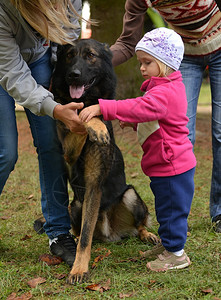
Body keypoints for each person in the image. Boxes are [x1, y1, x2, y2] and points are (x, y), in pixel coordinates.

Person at [79, 28, 197, 272]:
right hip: (163, 164)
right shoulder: (162, 88)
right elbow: (154, 118)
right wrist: (133, 121)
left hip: (173, 165)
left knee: (173, 211)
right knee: (165, 208)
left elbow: (142, 107)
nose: (142, 68)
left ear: (165, 64)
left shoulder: (165, 91)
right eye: (141, 62)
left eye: (148, 62)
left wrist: (105, 108)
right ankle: (169, 245)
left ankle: (177, 255)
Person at [110, 0, 221, 233]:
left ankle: (218, 211)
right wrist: (95, 61)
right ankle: (177, 218)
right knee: (182, 133)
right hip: (180, 56)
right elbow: (128, 42)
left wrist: (106, 107)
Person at [0, 0, 86, 267]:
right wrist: (54, 108)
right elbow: (12, 75)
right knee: (5, 151)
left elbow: (68, 37)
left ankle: (59, 232)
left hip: (37, 57)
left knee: (52, 143)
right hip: (4, 63)